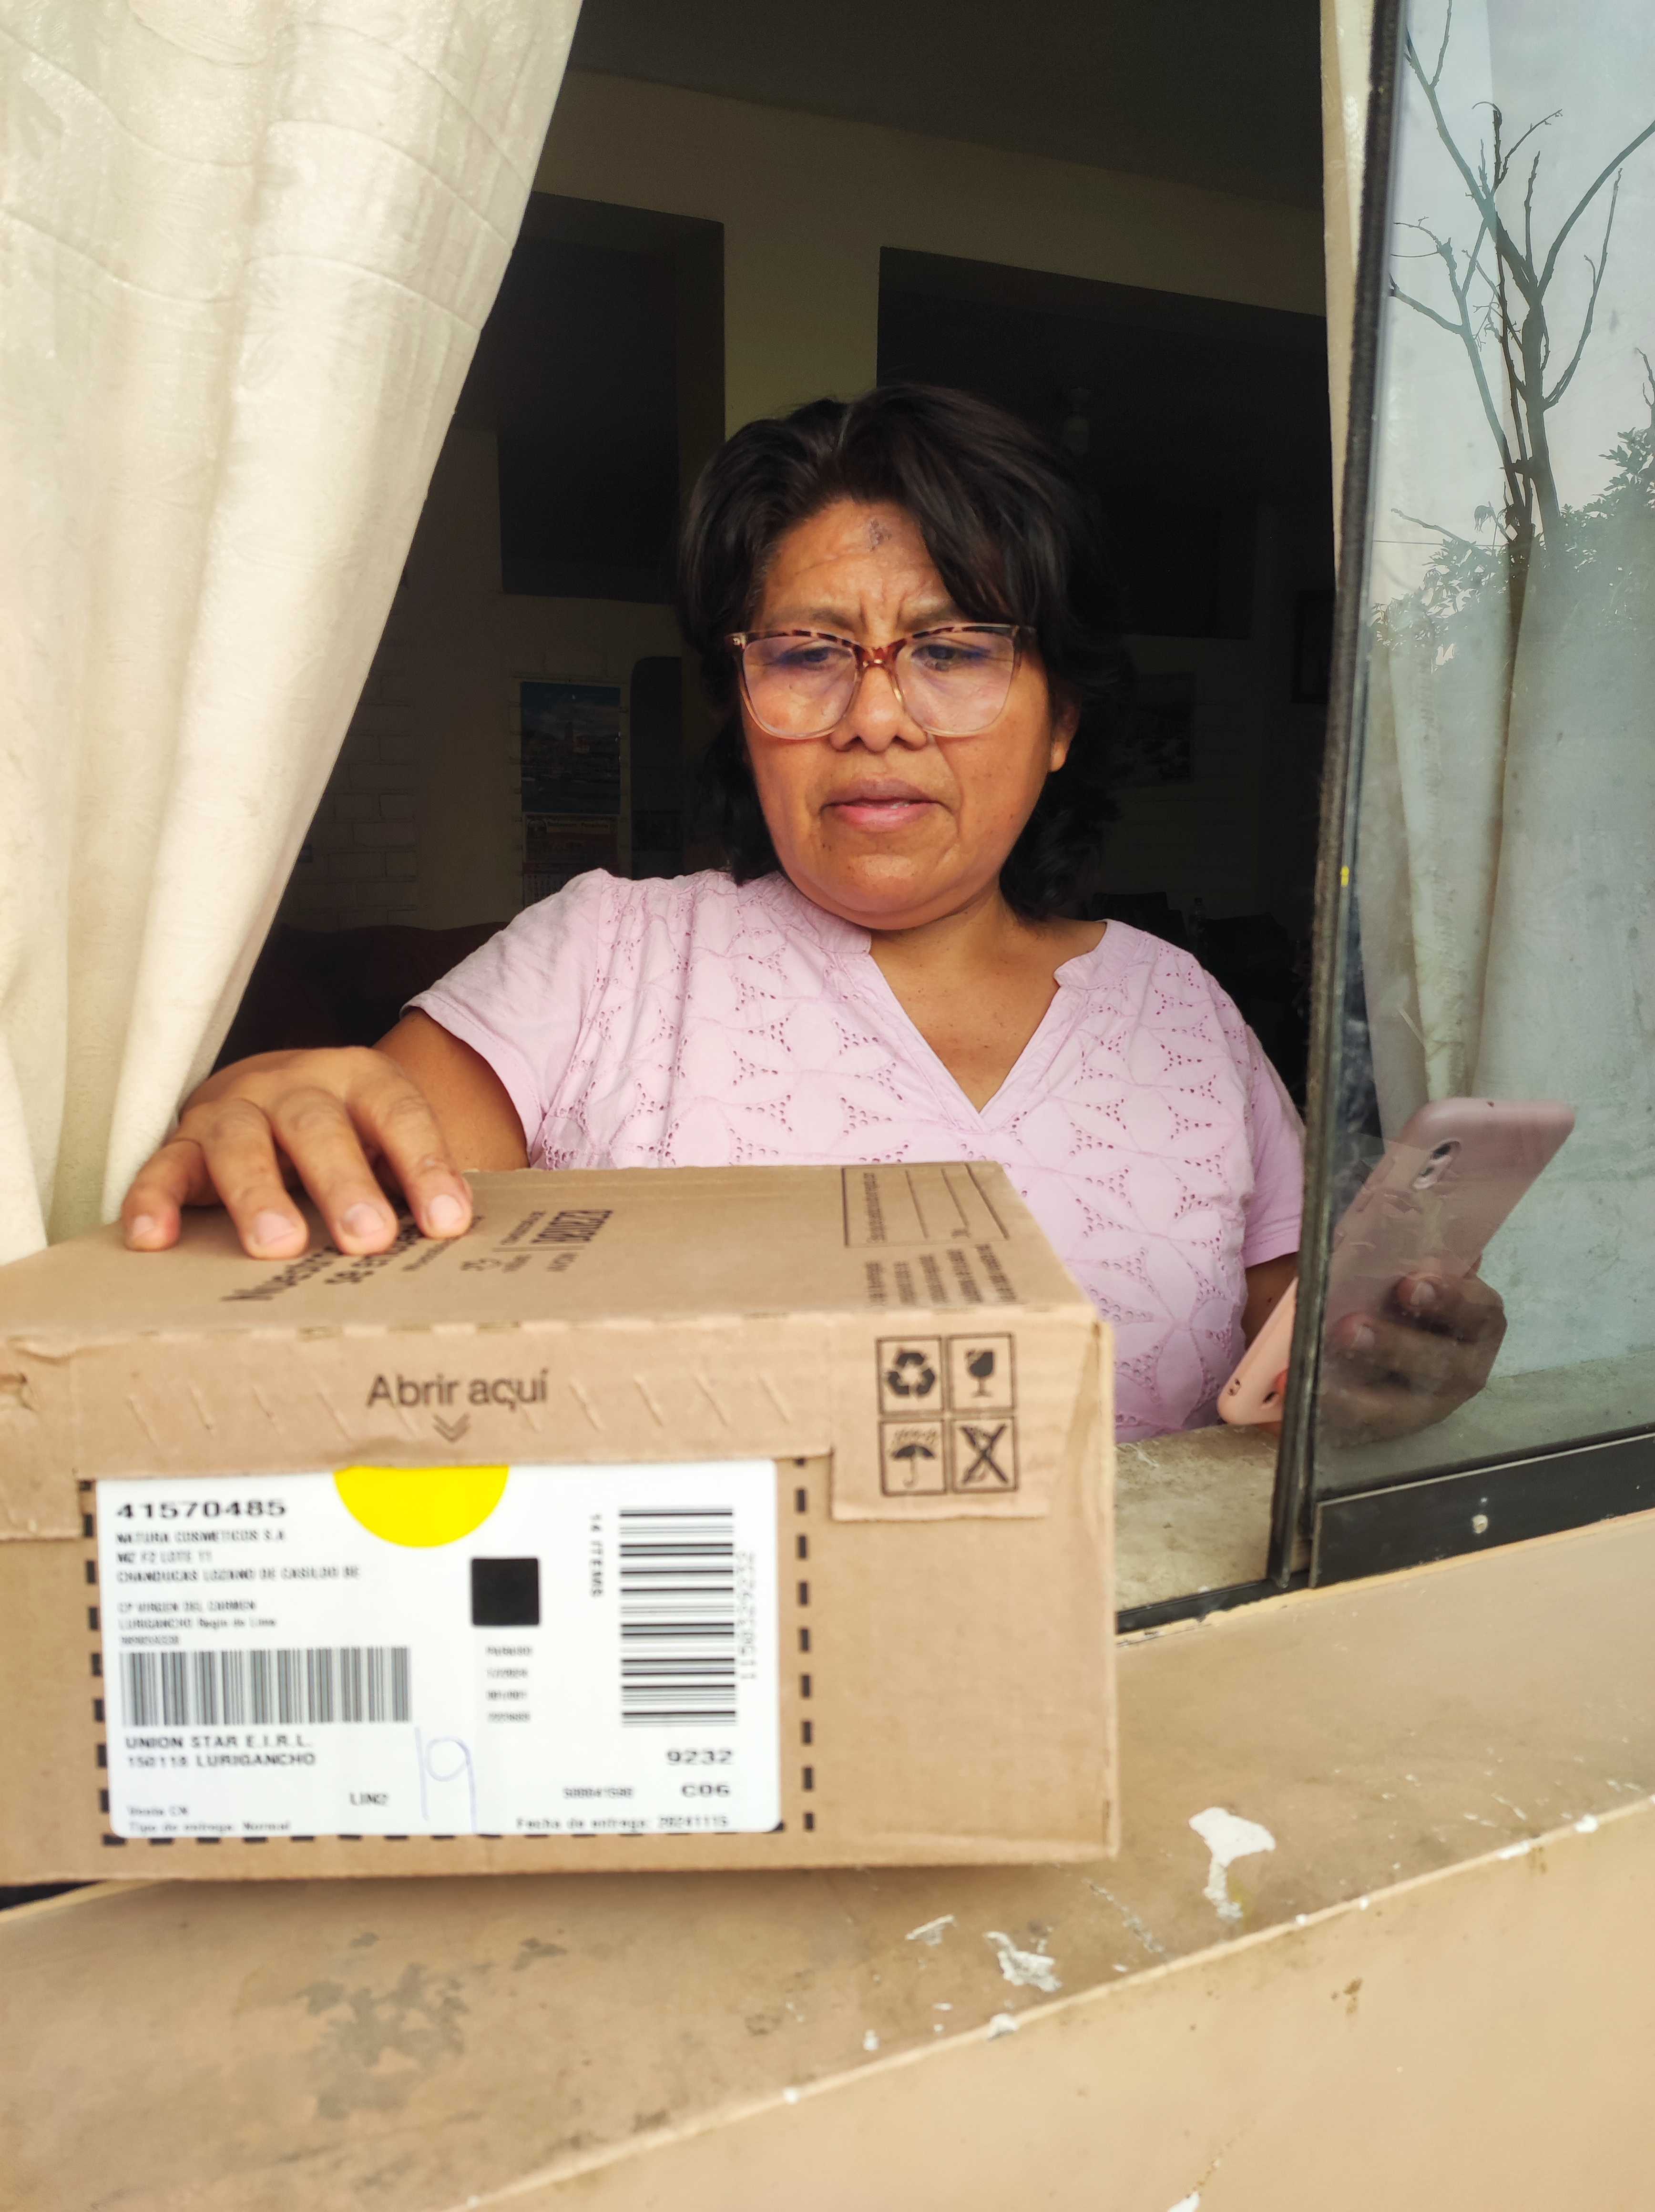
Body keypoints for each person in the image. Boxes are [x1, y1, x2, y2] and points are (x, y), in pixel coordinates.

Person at [121, 386, 1502, 1442]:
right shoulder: (603, 961)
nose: (877, 717)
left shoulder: (1181, 1016)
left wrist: (1389, 1368)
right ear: (745, 700)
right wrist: (287, 1121)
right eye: (807, 653)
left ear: (1061, 721)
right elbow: (364, 1219)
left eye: (952, 649)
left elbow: (1292, 1374)